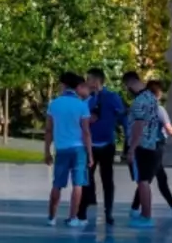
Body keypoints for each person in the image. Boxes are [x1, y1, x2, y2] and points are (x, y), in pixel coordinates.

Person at [126, 73, 172, 225]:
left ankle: (140, 209)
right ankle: (144, 212)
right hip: (153, 146)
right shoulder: (157, 108)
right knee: (146, 180)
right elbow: (168, 129)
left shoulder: (142, 103)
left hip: (148, 147)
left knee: (149, 179)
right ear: (157, 93)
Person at [44, 72, 93, 228]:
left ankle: (52, 217)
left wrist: (46, 151)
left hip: (62, 148)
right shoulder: (82, 105)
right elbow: (86, 132)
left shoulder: (54, 104)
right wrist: (90, 153)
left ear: (64, 85)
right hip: (79, 148)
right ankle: (73, 218)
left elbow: (49, 130)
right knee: (78, 184)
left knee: (57, 184)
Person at [80, 69, 128, 224]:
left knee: (107, 179)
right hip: (90, 145)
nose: (87, 82)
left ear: (96, 81)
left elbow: (122, 117)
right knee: (87, 177)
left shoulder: (112, 97)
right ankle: (85, 207)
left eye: (89, 79)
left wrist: (128, 135)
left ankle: (109, 212)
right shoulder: (87, 99)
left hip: (107, 144)